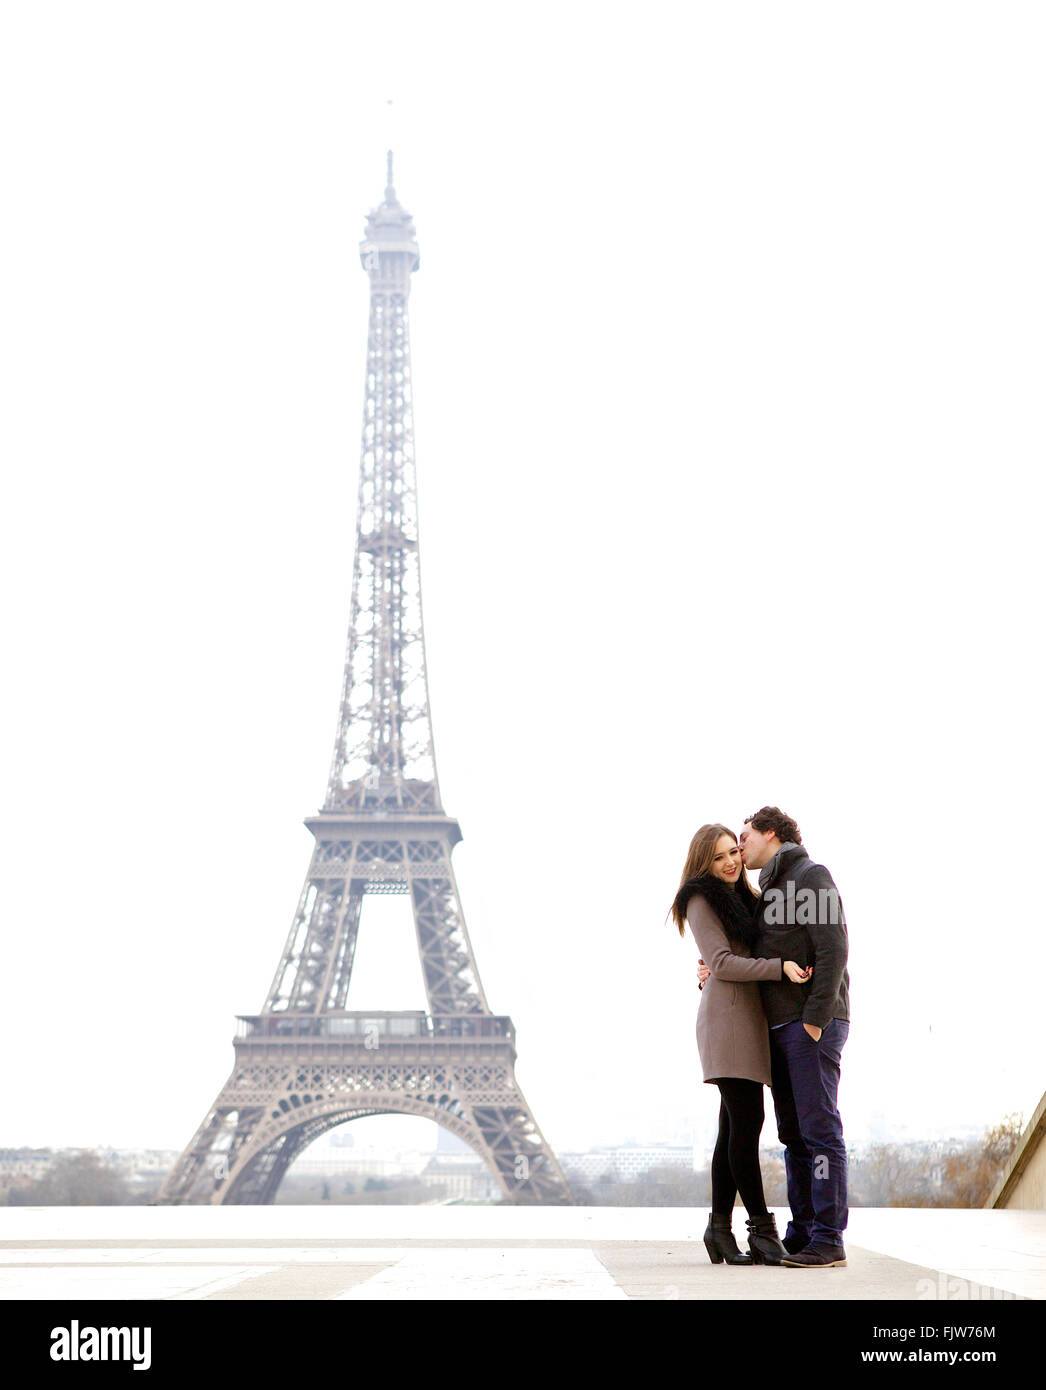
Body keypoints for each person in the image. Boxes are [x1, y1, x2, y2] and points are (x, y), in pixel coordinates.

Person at [670, 823, 812, 1266]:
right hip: (727, 1022)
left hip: (748, 1020)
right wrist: (779, 966)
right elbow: (723, 963)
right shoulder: (700, 899)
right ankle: (762, 1229)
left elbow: (731, 959)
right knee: (748, 1124)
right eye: (719, 857)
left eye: (734, 851)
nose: (731, 861)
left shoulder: (746, 899)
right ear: (702, 863)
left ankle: (718, 1229)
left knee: (731, 1131)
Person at [738, 806, 851, 1269]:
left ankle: (829, 1238)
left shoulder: (810, 875)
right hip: (781, 1027)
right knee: (794, 1136)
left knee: (819, 1131)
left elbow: (834, 946)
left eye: (744, 836)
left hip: (809, 1025)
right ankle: (804, 1232)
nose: (739, 845)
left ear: (770, 832)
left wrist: (816, 1018)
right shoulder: (768, 888)